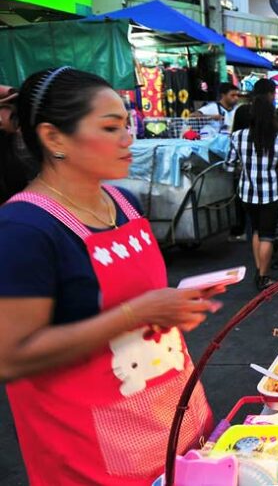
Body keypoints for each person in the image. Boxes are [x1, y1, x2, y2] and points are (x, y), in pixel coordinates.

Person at [0, 67, 222, 485]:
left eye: (127, 124)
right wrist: (136, 313)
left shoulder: (125, 201)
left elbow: (134, 299)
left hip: (175, 422)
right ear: (54, 138)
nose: (128, 139)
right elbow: (10, 356)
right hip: (93, 456)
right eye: (110, 127)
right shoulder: (24, 228)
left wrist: (172, 307)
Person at [226, 93, 278, 290]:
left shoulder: (237, 136)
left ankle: (259, 269)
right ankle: (264, 277)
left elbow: (229, 166)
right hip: (271, 192)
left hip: (247, 193)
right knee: (268, 235)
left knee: (256, 230)